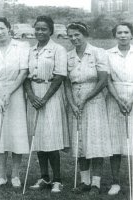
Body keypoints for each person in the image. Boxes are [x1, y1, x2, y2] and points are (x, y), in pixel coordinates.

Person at [64, 22, 112, 195]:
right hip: (75, 102)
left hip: (93, 100)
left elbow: (103, 80)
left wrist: (85, 98)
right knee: (80, 142)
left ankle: (96, 183)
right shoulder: (68, 56)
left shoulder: (98, 52)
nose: (74, 38)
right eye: (70, 35)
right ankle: (84, 181)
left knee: (95, 141)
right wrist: (71, 103)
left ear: (85, 34)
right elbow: (67, 84)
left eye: (77, 34)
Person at [0, 17, 29, 188]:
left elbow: (23, 72)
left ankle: (15, 175)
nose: (0, 32)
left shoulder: (22, 47)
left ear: (9, 28)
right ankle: (1, 175)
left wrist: (9, 93)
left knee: (16, 133)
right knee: (0, 135)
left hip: (15, 92)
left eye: (2, 28)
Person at [24, 16, 69, 193]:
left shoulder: (58, 49)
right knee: (38, 137)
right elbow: (25, 75)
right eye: (37, 29)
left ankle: (57, 179)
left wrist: (45, 98)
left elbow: (60, 76)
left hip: (50, 96)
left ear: (50, 31)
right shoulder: (30, 50)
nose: (40, 32)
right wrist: (30, 95)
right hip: (34, 96)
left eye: (44, 29)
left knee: (51, 138)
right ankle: (44, 177)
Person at [105, 22, 133, 195]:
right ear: (115, 35)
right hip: (114, 98)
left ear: (131, 35)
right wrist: (118, 99)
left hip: (132, 97)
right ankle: (115, 182)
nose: (122, 35)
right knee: (115, 143)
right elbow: (107, 79)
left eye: (126, 32)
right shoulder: (108, 54)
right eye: (119, 33)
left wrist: (131, 100)